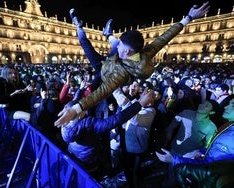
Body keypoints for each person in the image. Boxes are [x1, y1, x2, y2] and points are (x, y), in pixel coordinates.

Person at [54, 2, 210, 127]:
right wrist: (188, 17)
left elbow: (100, 92)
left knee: (86, 45)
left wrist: (75, 109)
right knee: (112, 47)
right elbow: (164, 37)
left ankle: (79, 26)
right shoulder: (144, 52)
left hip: (103, 71)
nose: (119, 46)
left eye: (122, 44)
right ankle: (108, 34)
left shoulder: (121, 75)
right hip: (112, 62)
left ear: (128, 52)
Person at [61, 89, 155, 182]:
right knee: (89, 181)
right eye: (82, 109)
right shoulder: (88, 124)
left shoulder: (66, 122)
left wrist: (81, 89)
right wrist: (139, 104)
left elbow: (74, 102)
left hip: (74, 156)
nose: (85, 108)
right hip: (89, 163)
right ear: (80, 115)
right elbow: (115, 120)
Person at [155, 95, 234, 188]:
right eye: (203, 103)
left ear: (212, 112)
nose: (201, 105)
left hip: (189, 157)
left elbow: (211, 160)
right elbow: (210, 148)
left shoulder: (212, 128)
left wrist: (176, 160)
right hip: (175, 150)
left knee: (181, 176)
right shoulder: (186, 113)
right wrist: (202, 152)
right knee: (172, 171)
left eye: (206, 106)